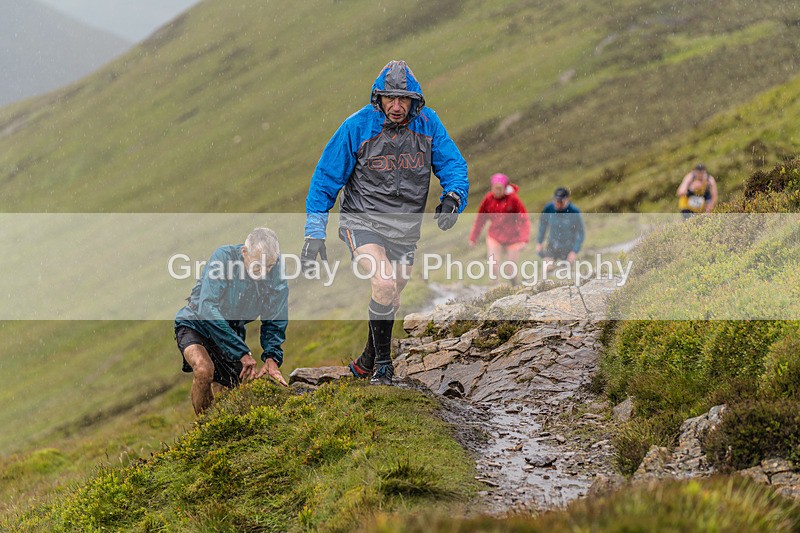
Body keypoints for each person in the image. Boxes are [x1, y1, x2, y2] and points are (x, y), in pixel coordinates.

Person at [301, 60, 469, 386]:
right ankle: (382, 366)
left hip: (404, 228)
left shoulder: (428, 125)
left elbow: (453, 164)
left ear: (414, 100)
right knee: (384, 282)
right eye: (389, 99)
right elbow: (325, 180)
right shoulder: (357, 127)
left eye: (403, 99)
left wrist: (453, 198)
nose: (396, 106)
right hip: (361, 220)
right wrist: (314, 234)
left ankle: (365, 359)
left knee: (393, 292)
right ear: (378, 98)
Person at [174, 227, 289, 415]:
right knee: (204, 370)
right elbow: (207, 308)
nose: (264, 273)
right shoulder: (223, 258)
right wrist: (241, 352)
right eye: (258, 267)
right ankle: (204, 430)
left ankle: (222, 432)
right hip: (196, 323)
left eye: (269, 267)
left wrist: (272, 358)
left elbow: (275, 317)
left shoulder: (276, 271)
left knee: (228, 393)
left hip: (231, 332)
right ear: (244, 252)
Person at [468, 173, 530, 285]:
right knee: (494, 266)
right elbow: (480, 220)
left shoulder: (513, 199)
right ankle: (496, 290)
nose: (496, 191)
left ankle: (515, 286)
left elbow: (524, 220)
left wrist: (524, 240)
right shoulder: (488, 199)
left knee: (510, 270)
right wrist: (473, 238)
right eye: (494, 188)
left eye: (499, 188)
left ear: (505, 188)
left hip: (513, 238)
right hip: (494, 236)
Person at [536, 187, 585, 272]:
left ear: (567, 200)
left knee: (565, 272)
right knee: (547, 267)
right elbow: (543, 225)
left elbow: (581, 233)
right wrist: (539, 242)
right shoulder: (549, 208)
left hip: (568, 247)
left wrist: (574, 251)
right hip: (552, 245)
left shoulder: (574, 212)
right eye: (556, 201)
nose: (557, 204)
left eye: (560, 201)